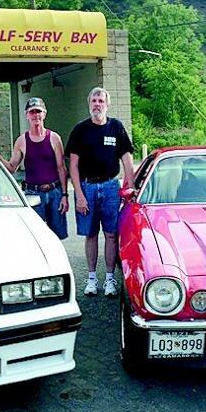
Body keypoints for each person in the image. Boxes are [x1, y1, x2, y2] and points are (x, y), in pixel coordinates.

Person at [66, 87, 135, 297]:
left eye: (100, 101)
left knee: (112, 234)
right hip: (87, 187)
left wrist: (129, 186)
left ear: (107, 104)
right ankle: (92, 279)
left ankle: (110, 279)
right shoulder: (80, 130)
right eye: (93, 100)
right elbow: (73, 165)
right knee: (91, 234)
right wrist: (78, 194)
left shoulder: (116, 127)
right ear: (89, 104)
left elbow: (127, 160)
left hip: (111, 187)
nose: (97, 104)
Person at [0, 97, 68, 239]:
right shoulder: (22, 141)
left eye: (38, 111)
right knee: (35, 235)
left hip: (55, 192)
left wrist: (65, 195)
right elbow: (11, 168)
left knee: (57, 236)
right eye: (32, 112)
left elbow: (61, 168)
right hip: (33, 194)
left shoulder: (54, 138)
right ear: (27, 115)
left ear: (44, 114)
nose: (36, 115)